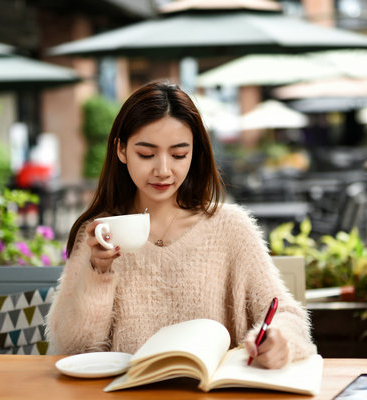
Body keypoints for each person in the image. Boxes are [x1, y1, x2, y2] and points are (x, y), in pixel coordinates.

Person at [46, 81, 316, 369]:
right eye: (146, 154)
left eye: (178, 155)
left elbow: (287, 314)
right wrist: (98, 273)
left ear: (194, 153)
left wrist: (279, 339)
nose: (163, 170)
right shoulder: (100, 233)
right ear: (121, 151)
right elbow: (72, 349)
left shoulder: (231, 228)